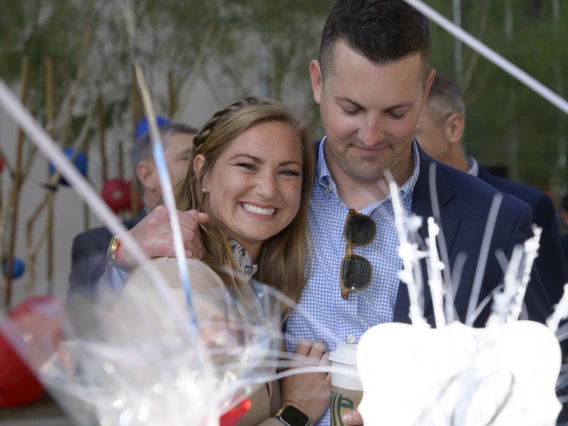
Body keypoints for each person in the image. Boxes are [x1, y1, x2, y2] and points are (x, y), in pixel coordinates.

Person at [101, 2, 553, 424]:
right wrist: (123, 256)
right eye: (351, 108)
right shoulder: (270, 199)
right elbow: (134, 326)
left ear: (426, 90)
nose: (371, 134)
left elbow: (547, 380)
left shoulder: (496, 220)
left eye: (395, 112)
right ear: (318, 82)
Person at [108, 97, 330, 426]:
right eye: (247, 165)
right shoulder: (181, 280)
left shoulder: (250, 286)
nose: (268, 189)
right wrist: (295, 413)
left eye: (287, 172)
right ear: (204, 173)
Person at [415, 74, 568, 305]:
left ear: (453, 128)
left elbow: (553, 318)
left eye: (414, 133)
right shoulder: (395, 205)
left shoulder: (525, 206)